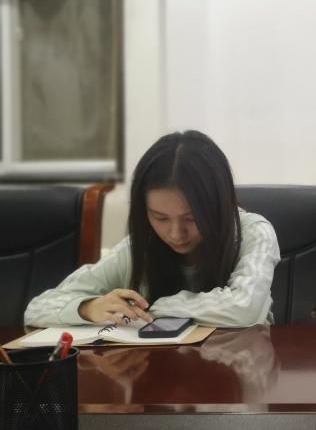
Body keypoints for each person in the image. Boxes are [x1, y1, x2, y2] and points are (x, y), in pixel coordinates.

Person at [25, 130, 280, 328]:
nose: (176, 234)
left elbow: (244, 307)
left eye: (191, 219)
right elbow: (38, 308)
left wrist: (155, 308)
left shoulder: (254, 233)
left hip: (241, 374)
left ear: (219, 205)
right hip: (159, 374)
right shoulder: (139, 248)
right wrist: (89, 307)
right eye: (160, 218)